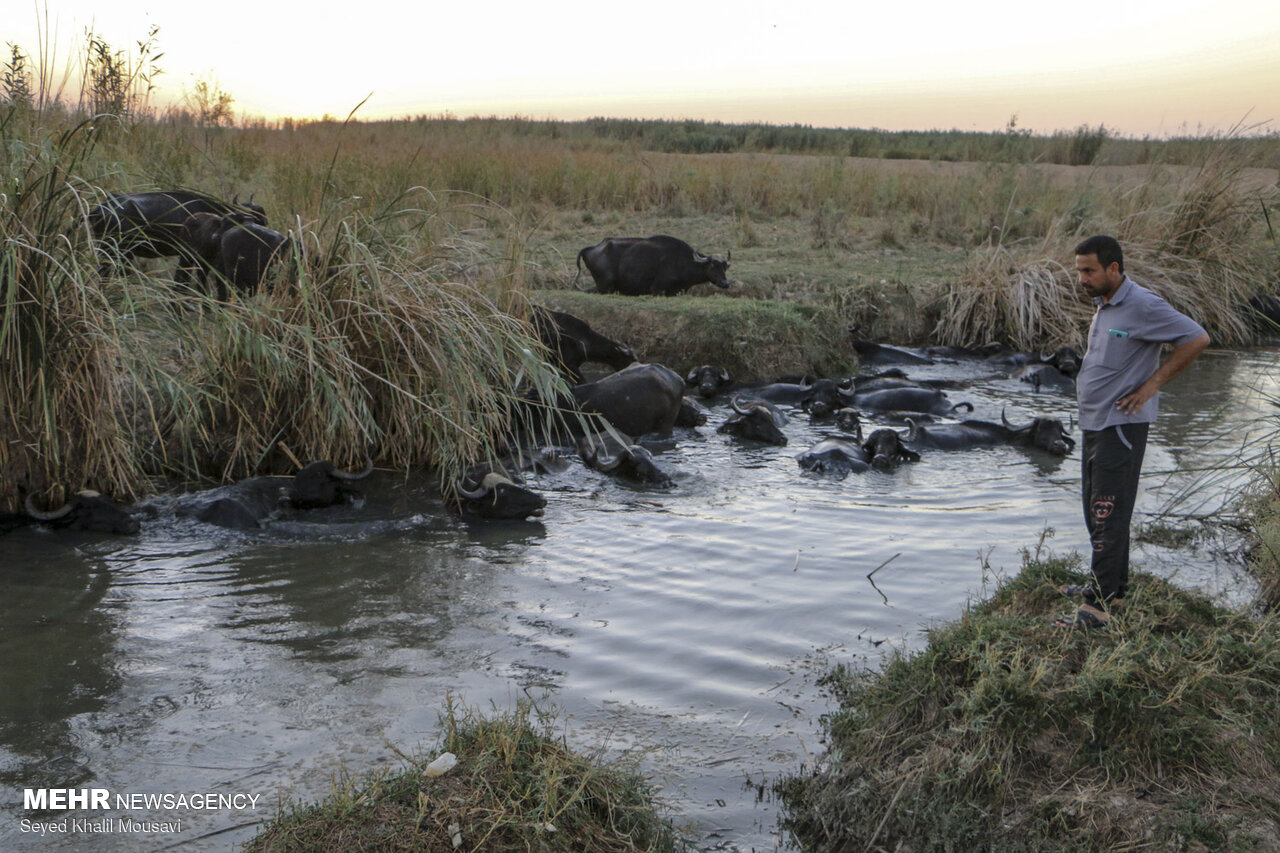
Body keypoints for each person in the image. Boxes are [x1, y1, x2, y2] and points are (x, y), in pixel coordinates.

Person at [1058, 235, 1211, 630]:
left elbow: (1196, 338)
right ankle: (1112, 588)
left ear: (1114, 268)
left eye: (1089, 270)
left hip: (1121, 426)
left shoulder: (1142, 305)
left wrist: (1149, 387)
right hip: (1095, 424)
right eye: (1079, 270)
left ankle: (1097, 609)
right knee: (1097, 511)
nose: (1082, 278)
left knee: (1108, 512)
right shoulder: (1104, 306)